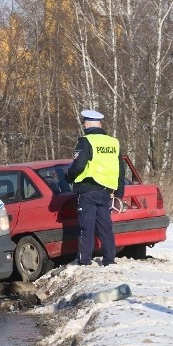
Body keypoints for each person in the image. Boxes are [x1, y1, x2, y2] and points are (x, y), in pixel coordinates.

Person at [66, 109, 125, 266]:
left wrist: (69, 177)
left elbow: (78, 165)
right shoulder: (113, 143)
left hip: (87, 190)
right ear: (100, 124)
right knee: (105, 227)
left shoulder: (85, 141)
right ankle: (109, 260)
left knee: (86, 228)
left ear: (85, 125)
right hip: (106, 192)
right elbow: (121, 170)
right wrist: (119, 193)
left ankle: (84, 261)